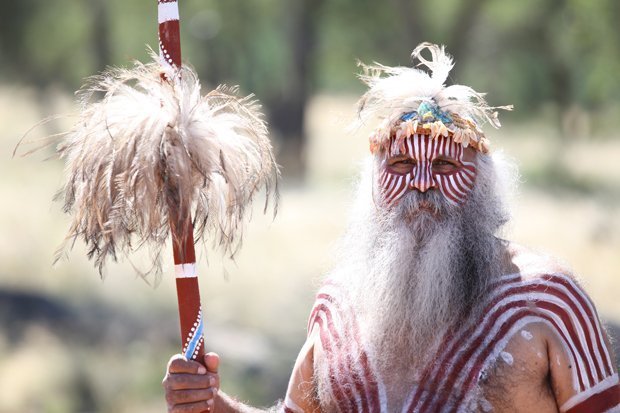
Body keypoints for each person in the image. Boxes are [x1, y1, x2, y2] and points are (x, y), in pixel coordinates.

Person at [162, 43, 620, 413]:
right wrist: (210, 404)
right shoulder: (338, 303)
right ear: (375, 183)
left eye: (444, 164)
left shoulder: (549, 299)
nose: (422, 185)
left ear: (483, 180)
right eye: (400, 163)